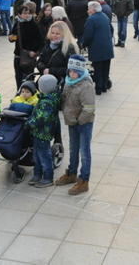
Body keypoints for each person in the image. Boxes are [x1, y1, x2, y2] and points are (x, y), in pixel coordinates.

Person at [54, 55, 96, 196]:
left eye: (75, 71)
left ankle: (84, 180)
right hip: (72, 121)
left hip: (83, 123)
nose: (72, 74)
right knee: (73, 148)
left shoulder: (86, 85)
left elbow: (89, 108)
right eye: (70, 71)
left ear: (81, 71)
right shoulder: (68, 82)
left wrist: (79, 120)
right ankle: (71, 173)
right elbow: (65, 100)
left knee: (84, 151)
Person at [27, 74, 62, 187]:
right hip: (40, 132)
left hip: (43, 132)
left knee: (44, 155)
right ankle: (37, 174)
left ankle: (48, 178)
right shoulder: (49, 97)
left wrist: (28, 124)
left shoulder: (46, 102)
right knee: (37, 153)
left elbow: (40, 118)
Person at [81, 1, 115, 95]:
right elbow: (111, 30)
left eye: (89, 9)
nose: (88, 11)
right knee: (105, 68)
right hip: (107, 47)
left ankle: (98, 89)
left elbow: (88, 36)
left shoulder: (91, 19)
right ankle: (104, 86)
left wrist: (83, 44)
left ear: (93, 9)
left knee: (98, 69)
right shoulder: (105, 16)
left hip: (97, 48)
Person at [11, 5, 43, 89]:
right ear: (19, 14)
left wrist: (35, 52)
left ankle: (30, 92)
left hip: (29, 55)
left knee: (29, 76)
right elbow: (12, 36)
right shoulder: (17, 23)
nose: (27, 15)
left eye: (28, 13)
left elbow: (40, 40)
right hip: (18, 54)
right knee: (18, 76)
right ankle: (19, 93)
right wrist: (11, 38)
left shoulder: (33, 24)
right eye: (24, 13)